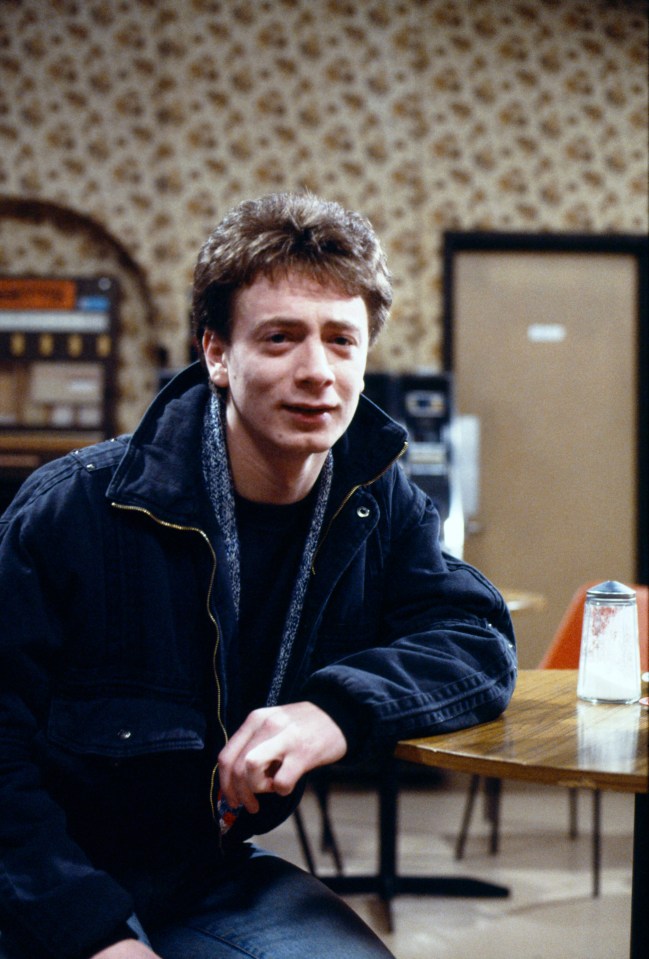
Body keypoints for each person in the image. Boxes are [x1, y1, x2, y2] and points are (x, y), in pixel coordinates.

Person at [0, 192, 517, 959]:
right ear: (216, 352)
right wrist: (89, 932)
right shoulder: (74, 508)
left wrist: (331, 712)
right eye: (280, 338)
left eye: (341, 341)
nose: (317, 372)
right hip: (38, 880)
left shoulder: (374, 498)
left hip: (195, 873)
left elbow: (474, 638)